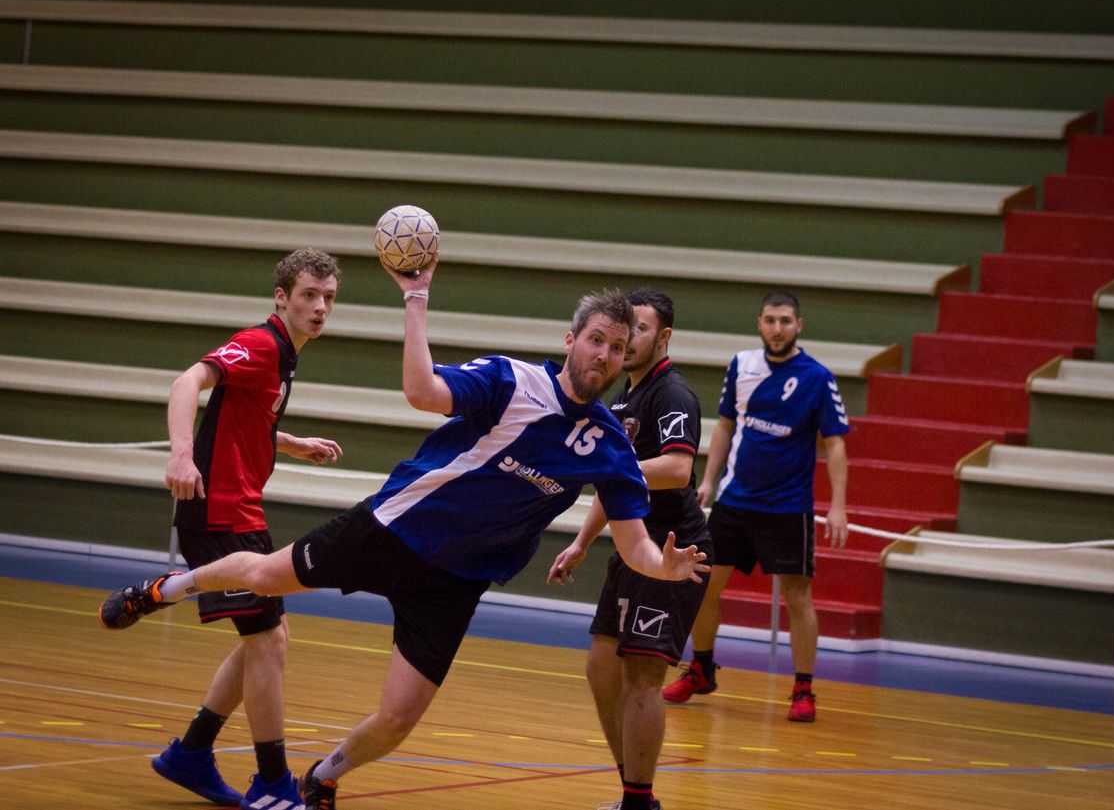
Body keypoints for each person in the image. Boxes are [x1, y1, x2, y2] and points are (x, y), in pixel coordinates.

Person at [100, 256, 709, 810]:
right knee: (261, 576)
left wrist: (664, 567)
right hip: (391, 529)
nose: (605, 355)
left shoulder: (609, 445)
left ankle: (322, 778)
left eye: (617, 347)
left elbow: (634, 545)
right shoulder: (512, 381)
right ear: (571, 340)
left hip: (454, 585)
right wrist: (416, 297)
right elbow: (422, 391)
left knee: (397, 719)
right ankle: (164, 590)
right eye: (596, 340)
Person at [126, 248, 343, 809]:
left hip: (242, 510)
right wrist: (180, 454)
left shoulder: (285, 355)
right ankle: (272, 784)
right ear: (281, 297)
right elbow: (188, 382)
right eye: (309, 296)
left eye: (328, 298)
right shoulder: (262, 343)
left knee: (267, 638)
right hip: (217, 511)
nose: (320, 307)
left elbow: (247, 415)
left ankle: (192, 753)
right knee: (267, 640)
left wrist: (291, 443)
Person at [548, 288, 712, 810]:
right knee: (601, 667)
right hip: (632, 548)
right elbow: (614, 487)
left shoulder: (672, 394)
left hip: (674, 550)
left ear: (664, 337)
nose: (630, 338)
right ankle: (633, 790)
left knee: (642, 675)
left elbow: (678, 469)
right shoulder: (620, 401)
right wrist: (581, 542)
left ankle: (638, 801)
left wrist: (612, 467)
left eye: (640, 328)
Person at [661, 290, 849, 723]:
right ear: (760, 324)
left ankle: (803, 688)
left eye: (785, 320)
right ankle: (701, 669)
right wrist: (708, 480)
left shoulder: (818, 377)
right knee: (703, 583)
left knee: (798, 597)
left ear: (798, 325)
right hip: (736, 501)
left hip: (789, 507)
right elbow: (725, 427)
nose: (777, 328)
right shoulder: (741, 365)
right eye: (770, 320)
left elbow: (836, 444)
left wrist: (838, 505)